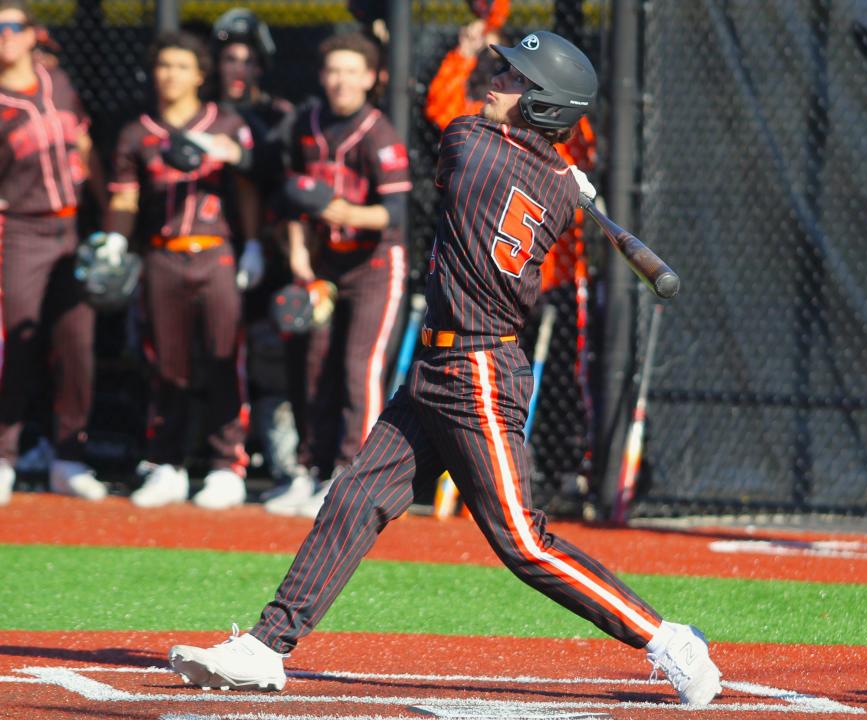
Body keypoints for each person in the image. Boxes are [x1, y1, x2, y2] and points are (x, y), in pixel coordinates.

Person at [168, 31, 722, 706]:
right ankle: (265, 646)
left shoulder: (473, 147)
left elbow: (467, 131)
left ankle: (667, 640)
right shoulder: (548, 188)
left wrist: (557, 169)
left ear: (543, 107)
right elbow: (528, 169)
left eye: (515, 79)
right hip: (441, 363)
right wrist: (565, 175)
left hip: (479, 371)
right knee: (355, 498)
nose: (495, 80)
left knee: (522, 541)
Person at [425, 9, 597, 514]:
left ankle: (570, 469)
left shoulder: (487, 140)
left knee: (572, 375)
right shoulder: (474, 139)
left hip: (554, 279)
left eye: (519, 77)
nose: (498, 81)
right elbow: (446, 112)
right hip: (508, 295)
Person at [104, 30, 260, 510]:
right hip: (162, 255)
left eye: (180, 66)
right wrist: (114, 237)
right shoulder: (137, 132)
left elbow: (251, 186)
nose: (169, 75)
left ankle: (225, 464)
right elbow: (125, 195)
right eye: (162, 65)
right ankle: (166, 463)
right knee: (164, 363)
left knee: (223, 359)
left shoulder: (227, 124)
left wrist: (253, 244)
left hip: (216, 254)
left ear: (199, 74)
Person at [260, 31, 411, 517]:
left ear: (370, 78)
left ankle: (352, 477)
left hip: (374, 266)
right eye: (333, 71)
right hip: (324, 265)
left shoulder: (379, 133)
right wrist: (300, 259)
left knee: (358, 370)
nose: (341, 80)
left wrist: (338, 207)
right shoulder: (305, 123)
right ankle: (311, 470)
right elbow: (291, 198)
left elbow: (393, 215)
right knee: (312, 368)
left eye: (352, 71)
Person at [0, 0, 105, 504]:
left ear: (31, 34)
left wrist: (108, 223)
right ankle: (5, 456)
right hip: (19, 229)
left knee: (76, 344)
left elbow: (85, 148)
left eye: (11, 27)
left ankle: (68, 456)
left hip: (71, 229)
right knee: (14, 342)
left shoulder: (57, 81)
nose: (3, 36)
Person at [210, 8, 302, 492]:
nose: (237, 70)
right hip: (209, 252)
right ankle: (220, 458)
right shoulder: (205, 115)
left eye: (246, 61)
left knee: (275, 357)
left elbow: (281, 179)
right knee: (219, 354)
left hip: (271, 254)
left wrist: (267, 245)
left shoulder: (281, 116)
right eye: (229, 60)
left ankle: (282, 458)